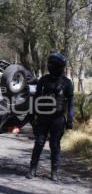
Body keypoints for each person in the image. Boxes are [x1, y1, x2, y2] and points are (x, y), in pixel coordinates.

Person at [26, 52, 74, 181]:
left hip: (58, 119)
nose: (51, 67)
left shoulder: (67, 83)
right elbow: (35, 98)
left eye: (53, 65)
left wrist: (70, 119)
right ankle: (32, 169)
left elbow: (70, 102)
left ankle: (54, 172)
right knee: (39, 143)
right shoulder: (44, 80)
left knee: (55, 144)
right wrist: (31, 115)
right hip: (43, 117)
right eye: (51, 64)